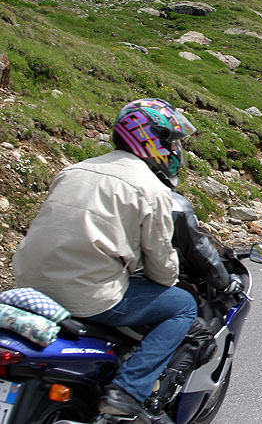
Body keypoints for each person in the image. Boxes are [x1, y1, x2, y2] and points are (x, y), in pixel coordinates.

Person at [13, 98, 200, 424]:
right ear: (151, 139)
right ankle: (126, 393)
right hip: (87, 297)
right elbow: (161, 269)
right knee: (182, 305)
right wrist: (169, 275)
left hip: (29, 283)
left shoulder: (73, 170)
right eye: (171, 142)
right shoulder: (151, 189)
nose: (174, 150)